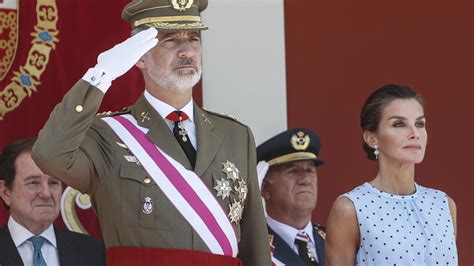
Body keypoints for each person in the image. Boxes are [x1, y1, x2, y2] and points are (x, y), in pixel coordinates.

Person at [32, 0, 270, 265]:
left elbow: (254, 242)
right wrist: (101, 75)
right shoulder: (109, 134)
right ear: (140, 56)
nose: (186, 51)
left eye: (193, 38)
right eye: (170, 40)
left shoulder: (235, 135)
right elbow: (49, 155)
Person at [325, 85, 458, 265]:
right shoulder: (351, 208)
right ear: (372, 138)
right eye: (399, 124)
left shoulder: (443, 204)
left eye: (420, 124)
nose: (415, 134)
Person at [0, 139, 105, 266]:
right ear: (5, 192)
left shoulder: (94, 252)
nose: (46, 193)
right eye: (33, 182)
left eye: (53, 182)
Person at [257, 128, 326, 266]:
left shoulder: (337, 241)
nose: (305, 179)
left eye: (310, 170)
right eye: (293, 171)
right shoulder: (254, 248)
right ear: (265, 189)